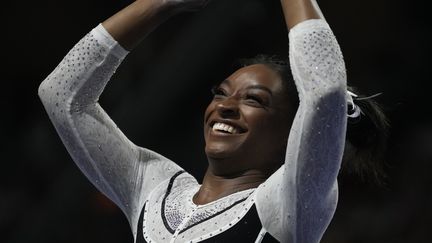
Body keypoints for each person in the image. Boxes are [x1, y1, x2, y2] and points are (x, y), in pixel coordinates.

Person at [38, 0, 388, 242]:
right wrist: (157, 6)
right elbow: (62, 96)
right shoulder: (156, 189)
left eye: (255, 100)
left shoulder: (287, 204)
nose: (226, 106)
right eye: (221, 93)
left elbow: (324, 91)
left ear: (293, 131)